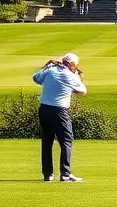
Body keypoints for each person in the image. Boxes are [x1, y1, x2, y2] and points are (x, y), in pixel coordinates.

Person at [32, 53, 87, 182]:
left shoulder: (50, 70)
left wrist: (47, 64)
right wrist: (76, 76)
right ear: (72, 64)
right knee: (67, 140)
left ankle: (48, 175)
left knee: (47, 141)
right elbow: (83, 90)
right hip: (60, 111)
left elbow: (36, 78)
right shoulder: (70, 76)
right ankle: (65, 174)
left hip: (44, 109)